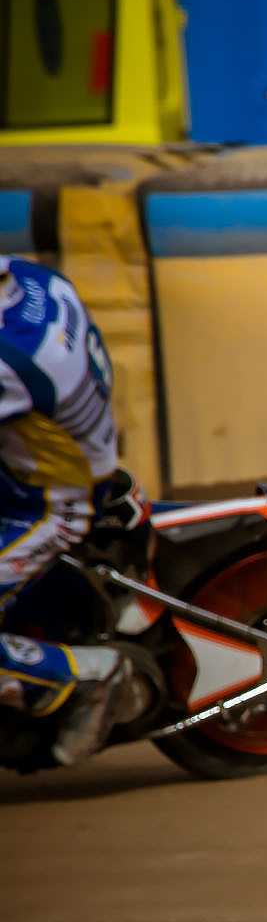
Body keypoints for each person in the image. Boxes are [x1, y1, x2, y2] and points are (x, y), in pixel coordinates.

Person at [0, 257, 142, 766]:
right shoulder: (35, 278)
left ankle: (88, 676)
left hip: (47, 507)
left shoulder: (7, 361)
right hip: (55, 460)